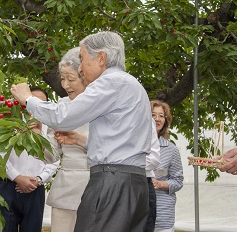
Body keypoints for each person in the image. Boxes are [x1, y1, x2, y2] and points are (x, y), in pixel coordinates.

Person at [11, 31, 152, 232]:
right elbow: (120, 141)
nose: (82, 68)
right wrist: (81, 141)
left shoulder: (110, 82)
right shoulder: (131, 85)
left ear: (101, 58)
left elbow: (65, 116)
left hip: (111, 181)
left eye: (83, 59)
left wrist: (28, 99)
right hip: (133, 181)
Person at [0, 87, 60, 232]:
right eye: (32, 101)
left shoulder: (51, 127)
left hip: (35, 188)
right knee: (4, 228)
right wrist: (17, 177)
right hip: (8, 186)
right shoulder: (9, 123)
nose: (36, 106)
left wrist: (39, 179)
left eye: (41, 102)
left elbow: (55, 158)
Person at [46, 47, 90, 232]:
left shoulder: (106, 105)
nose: (65, 85)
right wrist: (34, 138)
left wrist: (79, 139)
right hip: (66, 185)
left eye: (70, 79)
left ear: (86, 76)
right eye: (62, 79)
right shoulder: (60, 107)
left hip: (96, 183)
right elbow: (51, 155)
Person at [150, 100, 184, 232]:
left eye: (161, 116)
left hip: (162, 216)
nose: (157, 119)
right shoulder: (136, 146)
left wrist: (160, 184)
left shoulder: (171, 150)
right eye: (153, 115)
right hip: (138, 212)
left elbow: (178, 181)